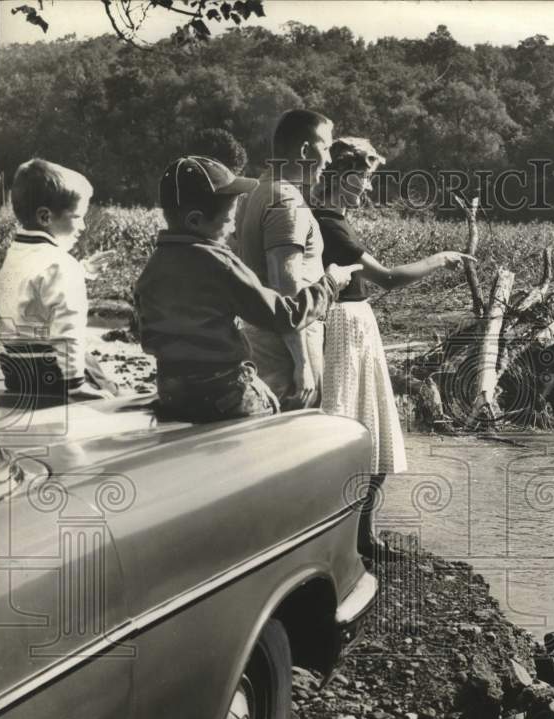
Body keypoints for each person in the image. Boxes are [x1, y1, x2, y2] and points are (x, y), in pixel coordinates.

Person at [312, 137, 474, 556]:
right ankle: (352, 539)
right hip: (345, 327)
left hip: (355, 324)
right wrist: (439, 259)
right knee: (358, 432)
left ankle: (361, 536)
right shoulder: (328, 219)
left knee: (372, 435)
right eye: (364, 179)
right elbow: (388, 277)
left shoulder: (334, 219)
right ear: (342, 177)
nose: (368, 189)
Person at [134, 156, 360, 423]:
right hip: (223, 393)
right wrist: (330, 283)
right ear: (195, 221)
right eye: (229, 219)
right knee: (282, 418)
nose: (232, 230)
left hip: (172, 391)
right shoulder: (220, 264)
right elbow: (284, 316)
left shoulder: (152, 268)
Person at [0, 158, 119, 401]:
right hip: (54, 377)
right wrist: (75, 387)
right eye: (77, 216)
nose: (83, 226)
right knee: (112, 391)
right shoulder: (62, 266)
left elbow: (33, 287)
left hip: (18, 373)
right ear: (45, 217)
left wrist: (83, 269)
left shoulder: (16, 254)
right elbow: (68, 330)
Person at [233, 109, 332, 411]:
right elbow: (286, 289)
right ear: (305, 150)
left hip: (259, 339)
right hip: (285, 350)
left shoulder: (257, 191)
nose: (329, 159)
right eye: (326, 147)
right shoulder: (287, 201)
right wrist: (302, 364)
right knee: (296, 440)